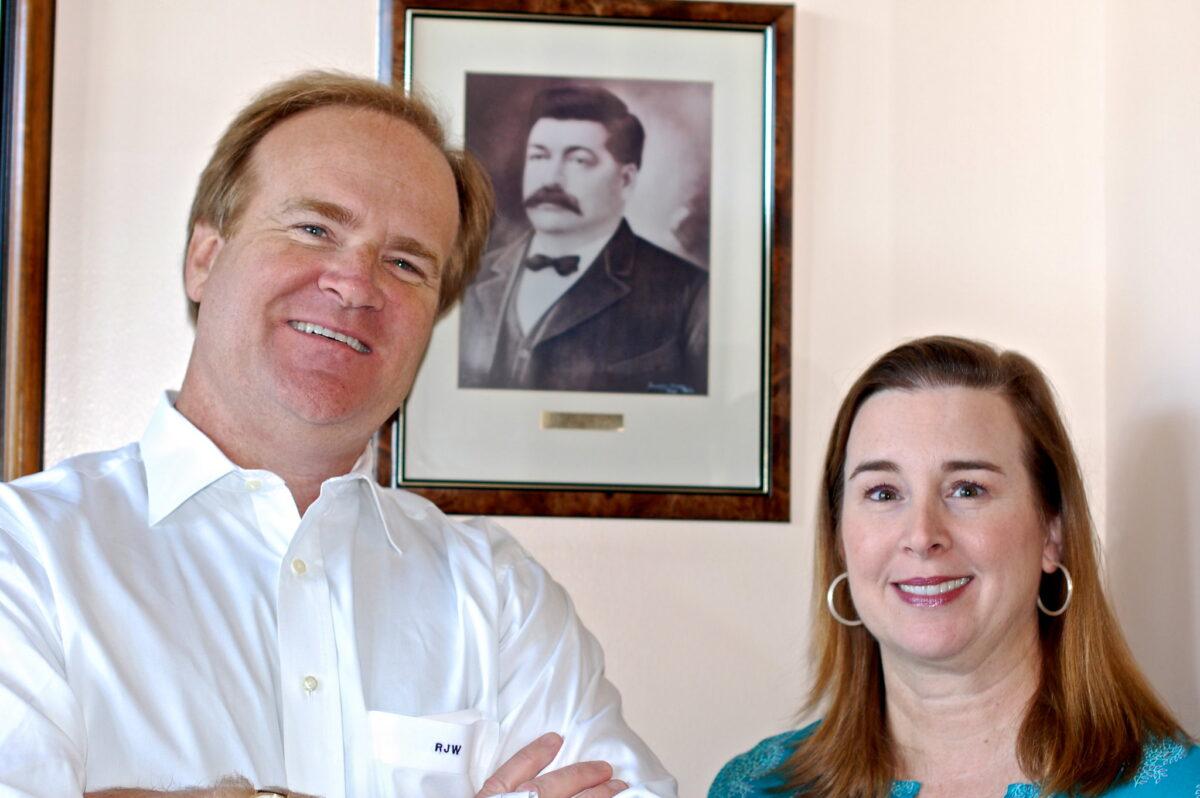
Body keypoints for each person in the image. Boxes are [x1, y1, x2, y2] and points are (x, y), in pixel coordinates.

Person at [0, 71, 675, 798]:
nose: (356, 284)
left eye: (406, 262)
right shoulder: (24, 557)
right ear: (205, 255)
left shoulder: (497, 593)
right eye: (314, 228)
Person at [710, 336, 1198, 797]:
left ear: (1053, 532)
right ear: (840, 541)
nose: (922, 536)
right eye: (883, 493)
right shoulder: (752, 788)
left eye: (967, 489)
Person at [458, 84, 708, 395]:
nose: (550, 178)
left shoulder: (690, 294)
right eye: (539, 156)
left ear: (626, 179)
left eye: (578, 161)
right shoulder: (468, 276)